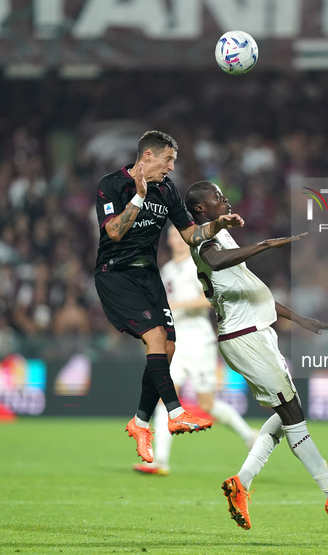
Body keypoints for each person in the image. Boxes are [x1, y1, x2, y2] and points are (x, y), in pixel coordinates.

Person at [184, 180, 328, 530]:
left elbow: (247, 290)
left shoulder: (221, 236)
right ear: (200, 208)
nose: (225, 198)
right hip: (245, 338)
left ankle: (241, 483)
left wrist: (299, 318)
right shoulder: (202, 240)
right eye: (216, 197)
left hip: (257, 332)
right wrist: (263, 245)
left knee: (289, 412)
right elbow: (214, 262)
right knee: (293, 416)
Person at [94, 130, 243, 463]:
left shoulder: (167, 190)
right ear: (147, 156)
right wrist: (138, 198)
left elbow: (190, 234)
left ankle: (140, 422)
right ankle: (176, 413)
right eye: (168, 160)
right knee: (157, 336)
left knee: (169, 347)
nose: (172, 168)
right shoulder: (110, 184)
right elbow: (114, 232)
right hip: (116, 272)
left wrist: (218, 224)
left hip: (149, 275)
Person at [133, 226, 258, 476]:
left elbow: (210, 299)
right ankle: (160, 461)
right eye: (173, 236)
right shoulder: (167, 270)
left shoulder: (197, 265)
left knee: (207, 403)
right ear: (168, 240)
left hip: (200, 341)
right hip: (176, 342)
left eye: (181, 236)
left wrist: (178, 304)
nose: (177, 240)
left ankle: (249, 436)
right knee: (163, 397)